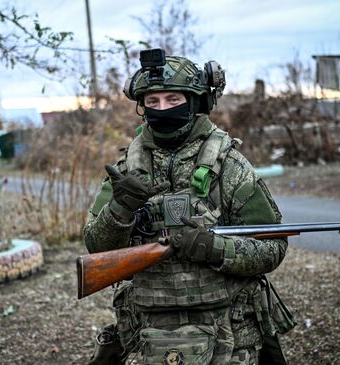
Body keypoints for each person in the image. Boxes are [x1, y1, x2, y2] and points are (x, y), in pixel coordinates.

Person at [84, 49, 296, 365]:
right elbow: (96, 249)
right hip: (148, 330)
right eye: (153, 102)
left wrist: (215, 248)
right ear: (142, 106)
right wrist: (120, 209)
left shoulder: (230, 166)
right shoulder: (126, 169)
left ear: (194, 102)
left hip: (230, 331)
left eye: (173, 99)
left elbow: (272, 248)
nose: (162, 109)